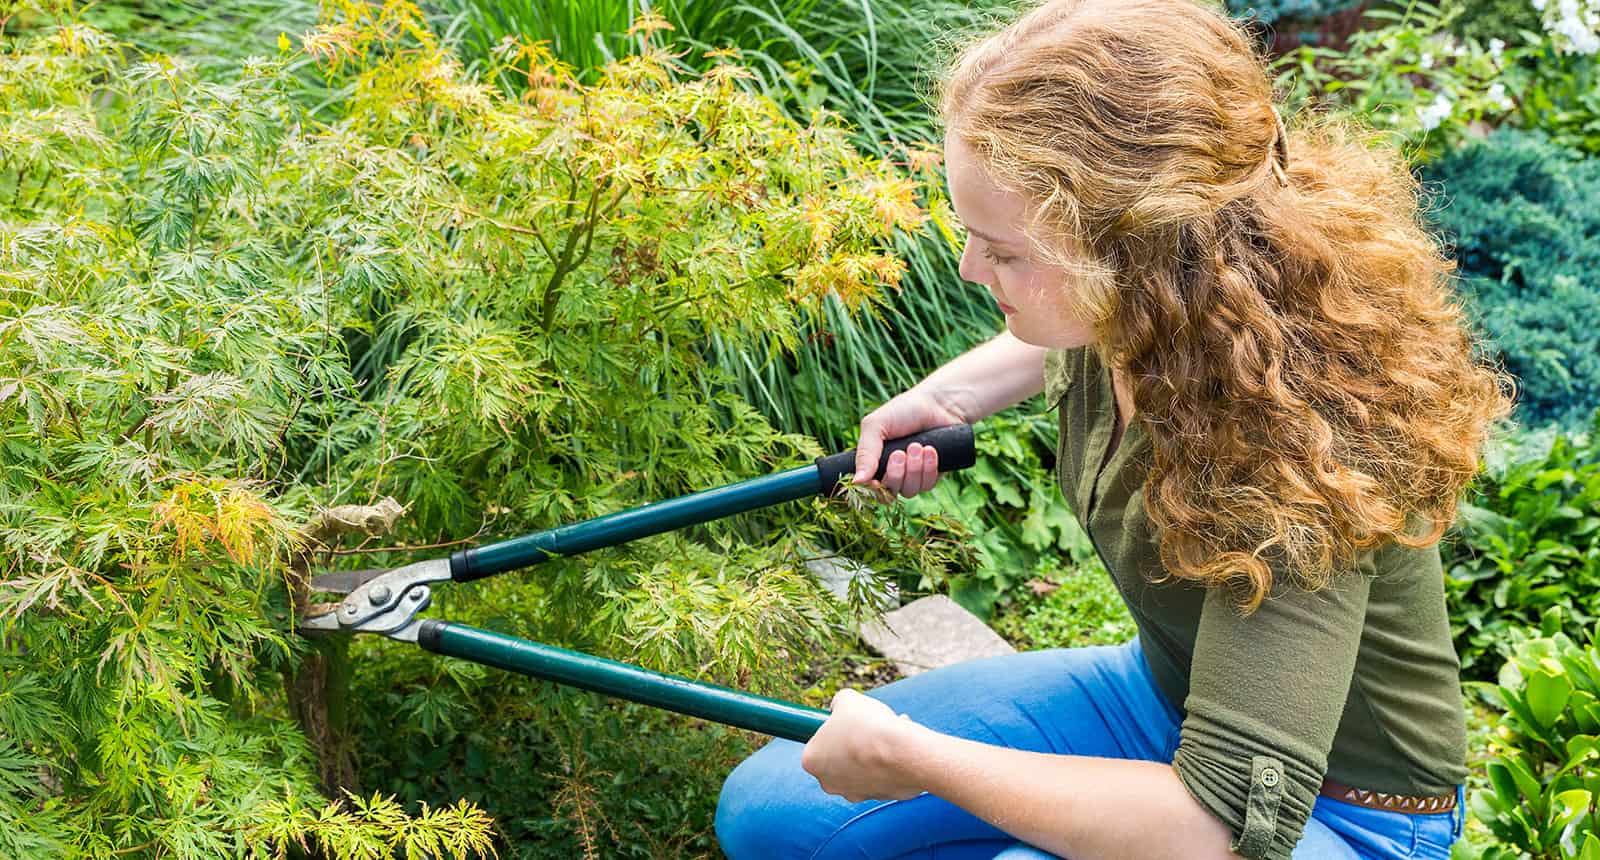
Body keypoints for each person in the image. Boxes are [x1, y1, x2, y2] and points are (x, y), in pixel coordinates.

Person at [713, 0, 1518, 858]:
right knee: (769, 811)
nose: (970, 268)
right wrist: (952, 400)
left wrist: (920, 759)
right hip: (1161, 705)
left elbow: (1215, 827)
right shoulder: (1155, 308)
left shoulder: (1294, 446)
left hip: (1334, 817)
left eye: (1005, 251)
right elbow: (1057, 330)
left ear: (1138, 253)